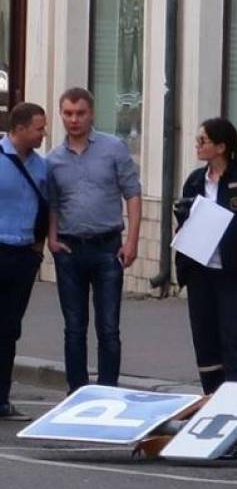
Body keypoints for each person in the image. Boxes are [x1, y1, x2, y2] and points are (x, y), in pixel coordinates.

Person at [46, 87, 142, 394]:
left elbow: (132, 194)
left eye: (80, 113)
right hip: (69, 250)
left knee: (109, 327)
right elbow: (52, 203)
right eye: (68, 113)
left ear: (92, 114)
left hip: (107, 248)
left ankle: (108, 391)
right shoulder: (53, 159)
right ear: (61, 115)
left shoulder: (113, 148)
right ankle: (77, 392)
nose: (74, 120)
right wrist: (52, 239)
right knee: (74, 327)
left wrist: (132, 241)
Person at [173, 118, 237, 394]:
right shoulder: (195, 181)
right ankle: (212, 397)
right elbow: (185, 225)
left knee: (234, 338)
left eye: (202, 141)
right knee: (205, 340)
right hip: (199, 272)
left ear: (220, 147)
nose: (197, 145)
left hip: (231, 274)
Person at [0, 103, 48, 420]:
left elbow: (47, 208)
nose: (43, 134)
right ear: (18, 129)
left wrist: (37, 250)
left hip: (23, 255)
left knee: (9, 329)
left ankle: (1, 398)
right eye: (38, 128)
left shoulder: (41, 167)